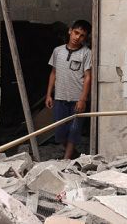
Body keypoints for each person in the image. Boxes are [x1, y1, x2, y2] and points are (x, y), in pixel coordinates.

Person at [45, 20, 92, 159]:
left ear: (85, 38)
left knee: (74, 130)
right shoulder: (57, 51)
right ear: (70, 31)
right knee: (59, 132)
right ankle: (73, 154)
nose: (77, 37)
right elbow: (53, 73)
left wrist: (83, 99)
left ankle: (66, 160)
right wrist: (48, 94)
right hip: (60, 97)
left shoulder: (86, 53)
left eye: (82, 35)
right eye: (76, 33)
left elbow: (88, 77)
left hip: (77, 98)